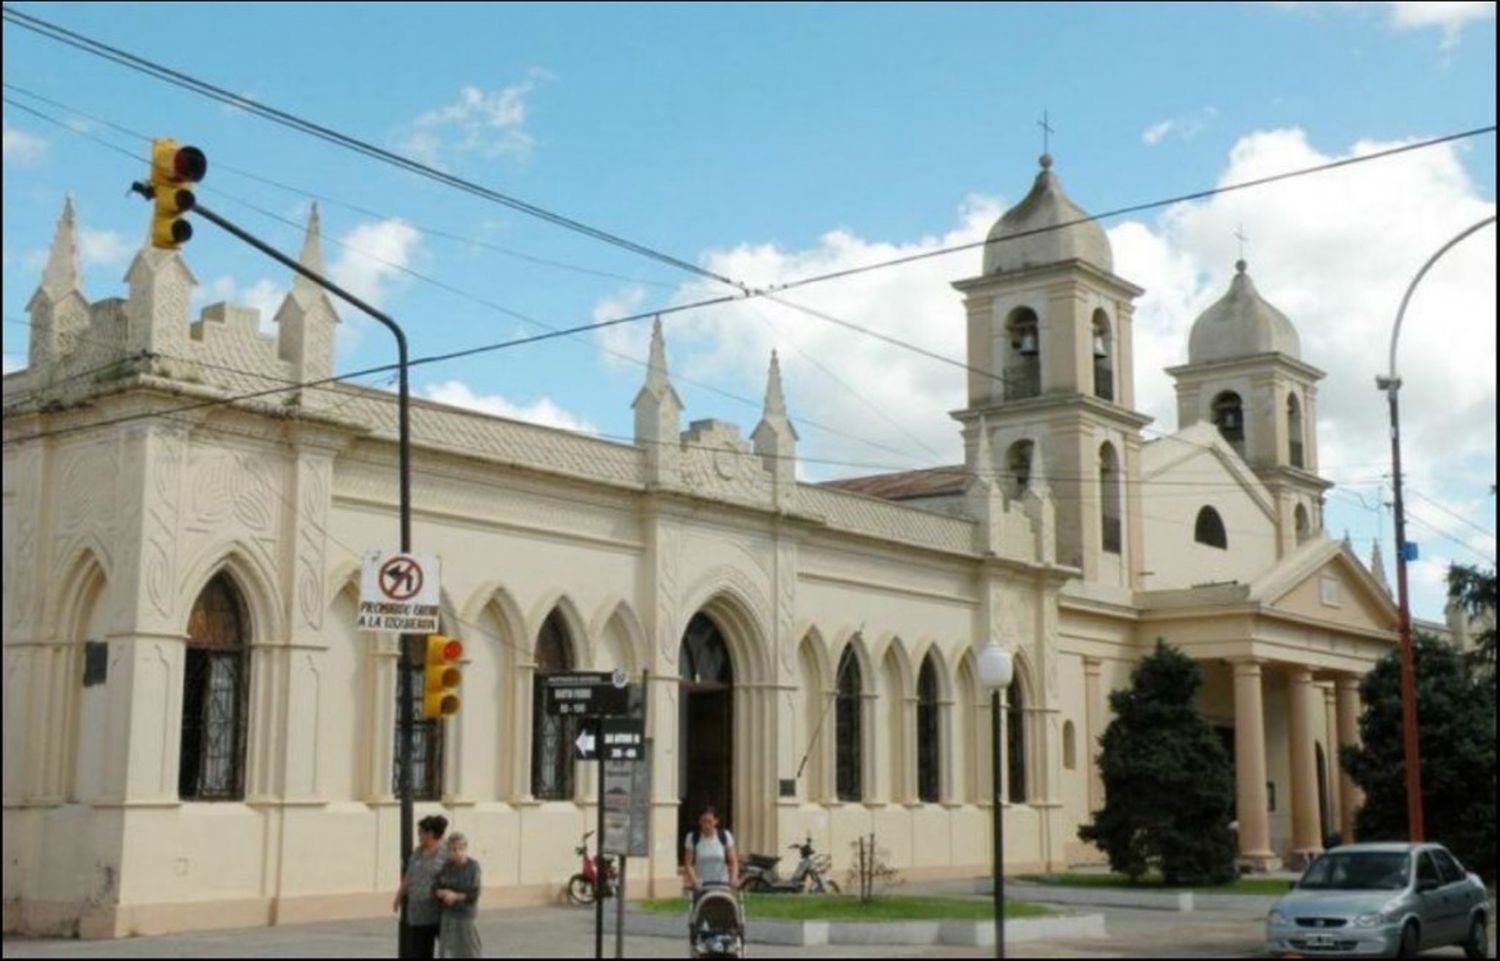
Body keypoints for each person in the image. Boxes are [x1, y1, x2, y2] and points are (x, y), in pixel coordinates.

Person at [393, 815, 448, 959]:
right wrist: (398, 897)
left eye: (420, 832)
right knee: (419, 952)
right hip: (417, 912)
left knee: (448, 950)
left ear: (430, 834)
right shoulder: (418, 852)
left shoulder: (446, 852)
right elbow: (409, 876)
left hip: (438, 911)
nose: (418, 836)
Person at [434, 832, 482, 959]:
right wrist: (442, 893)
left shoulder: (473, 867)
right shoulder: (447, 866)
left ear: (465, 849)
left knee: (469, 949)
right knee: (448, 949)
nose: (457, 853)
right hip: (449, 915)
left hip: (465, 915)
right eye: (453, 849)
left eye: (460, 849)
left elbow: (474, 893)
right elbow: (437, 885)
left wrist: (456, 896)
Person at [683, 806, 738, 897]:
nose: (707, 825)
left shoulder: (725, 836)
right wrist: (694, 881)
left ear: (716, 821)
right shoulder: (692, 838)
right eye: (704, 821)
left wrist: (733, 878)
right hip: (701, 887)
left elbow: (733, 861)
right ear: (699, 822)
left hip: (722, 886)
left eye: (710, 822)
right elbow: (688, 864)